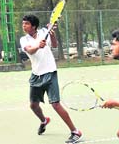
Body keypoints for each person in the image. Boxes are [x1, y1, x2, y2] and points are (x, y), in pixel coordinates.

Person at [20, 14, 82, 143]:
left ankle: (75, 131)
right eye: (23, 24)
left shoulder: (44, 32)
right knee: (33, 105)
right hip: (36, 75)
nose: (24, 26)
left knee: (55, 104)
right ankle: (44, 120)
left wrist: (52, 34)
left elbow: (54, 45)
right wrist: (38, 46)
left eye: (26, 24)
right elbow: (30, 51)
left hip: (50, 73)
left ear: (34, 26)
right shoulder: (24, 39)